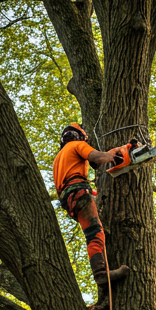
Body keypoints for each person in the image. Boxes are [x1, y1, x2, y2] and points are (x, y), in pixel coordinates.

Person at [53, 123, 129, 299]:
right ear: (80, 137)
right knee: (95, 232)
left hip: (69, 199)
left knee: (93, 230)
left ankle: (100, 270)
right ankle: (101, 275)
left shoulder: (59, 157)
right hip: (78, 193)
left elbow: (91, 163)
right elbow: (94, 156)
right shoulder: (77, 145)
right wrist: (111, 156)